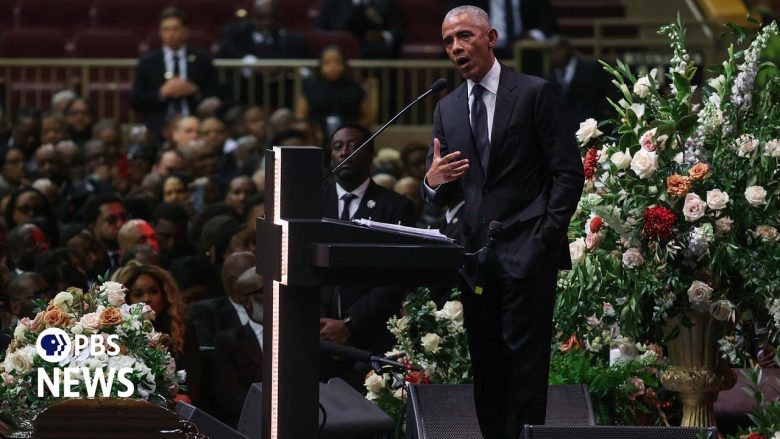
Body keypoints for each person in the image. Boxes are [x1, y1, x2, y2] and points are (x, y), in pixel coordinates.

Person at [424, 6, 583, 438]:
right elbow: (443, 188)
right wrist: (432, 182)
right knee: (487, 366)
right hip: (476, 259)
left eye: (465, 36)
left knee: (525, 368)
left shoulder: (534, 93)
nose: (456, 47)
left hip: (529, 251)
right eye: (448, 41)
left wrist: (545, 236)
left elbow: (568, 173)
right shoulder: (447, 108)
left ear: (491, 38)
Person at [320, 122, 414, 388]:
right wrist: (323, 326)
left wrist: (349, 324)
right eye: (337, 146)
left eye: (353, 146)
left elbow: (396, 276)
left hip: (371, 339)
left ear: (371, 154)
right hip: (318, 339)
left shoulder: (395, 207)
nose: (344, 152)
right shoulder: (312, 203)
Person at [112, 261, 201, 404]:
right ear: (125, 300)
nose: (147, 299)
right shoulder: (114, 333)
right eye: (138, 294)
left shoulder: (182, 330)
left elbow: (192, 384)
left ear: (165, 295)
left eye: (154, 292)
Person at [131, 7, 219, 138]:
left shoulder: (202, 59)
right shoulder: (148, 62)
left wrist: (194, 90)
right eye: (166, 30)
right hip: (160, 122)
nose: (170, 34)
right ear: (160, 33)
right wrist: (161, 93)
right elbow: (136, 100)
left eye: (175, 29)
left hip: (195, 119)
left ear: (185, 31)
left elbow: (216, 92)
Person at [296, 45, 373, 139]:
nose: (333, 66)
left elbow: (368, 117)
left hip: (349, 137)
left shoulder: (355, 89)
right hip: (316, 137)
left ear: (344, 64)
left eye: (337, 62)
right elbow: (301, 116)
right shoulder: (311, 89)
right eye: (327, 62)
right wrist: (312, 130)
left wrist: (354, 130)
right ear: (321, 65)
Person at [315, 0, 404, 59]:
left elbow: (397, 31)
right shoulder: (332, 2)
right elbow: (317, 29)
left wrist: (383, 36)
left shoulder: (386, 2)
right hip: (338, 50)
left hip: (373, 53)